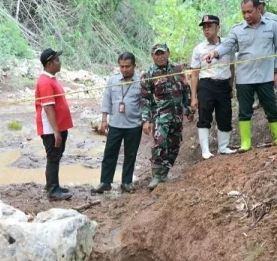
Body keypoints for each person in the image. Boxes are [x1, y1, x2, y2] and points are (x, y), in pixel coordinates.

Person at [205, 0, 277, 152]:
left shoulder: (272, 26)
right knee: (244, 111)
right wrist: (214, 53)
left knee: (271, 107)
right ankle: (246, 143)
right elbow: (227, 45)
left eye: (249, 12)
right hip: (244, 78)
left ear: (258, 9)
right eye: (244, 13)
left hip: (265, 76)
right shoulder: (237, 29)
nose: (247, 15)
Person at [141, 42, 193, 190]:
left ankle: (165, 173)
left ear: (168, 53)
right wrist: (146, 120)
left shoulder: (177, 69)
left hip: (177, 116)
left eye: (162, 53)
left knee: (174, 145)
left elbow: (186, 89)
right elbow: (145, 100)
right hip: (160, 117)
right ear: (152, 56)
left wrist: (188, 107)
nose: (160, 56)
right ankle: (157, 176)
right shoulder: (148, 75)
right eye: (157, 54)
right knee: (160, 144)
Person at [91, 52, 142, 194]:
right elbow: (106, 100)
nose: (125, 69)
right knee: (109, 154)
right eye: (122, 66)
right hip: (115, 125)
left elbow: (145, 103)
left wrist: (145, 121)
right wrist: (103, 120)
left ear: (134, 66)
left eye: (128, 66)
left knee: (130, 155)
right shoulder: (113, 80)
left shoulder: (141, 81)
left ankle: (126, 182)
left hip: (134, 125)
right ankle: (105, 182)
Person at [190, 15, 236, 160]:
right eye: (204, 27)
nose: (206, 30)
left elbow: (232, 67)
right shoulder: (199, 49)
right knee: (204, 115)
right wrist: (193, 96)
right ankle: (205, 150)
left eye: (209, 26)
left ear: (218, 27)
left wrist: (231, 86)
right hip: (206, 84)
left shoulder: (227, 46)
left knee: (225, 115)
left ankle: (223, 147)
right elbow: (195, 74)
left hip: (223, 83)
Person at [35, 48, 74, 201]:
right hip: (51, 128)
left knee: (56, 156)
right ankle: (53, 190)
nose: (60, 62)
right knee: (53, 157)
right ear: (49, 63)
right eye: (57, 60)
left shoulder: (51, 78)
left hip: (58, 127)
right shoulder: (45, 81)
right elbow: (48, 108)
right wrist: (56, 132)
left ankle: (52, 185)